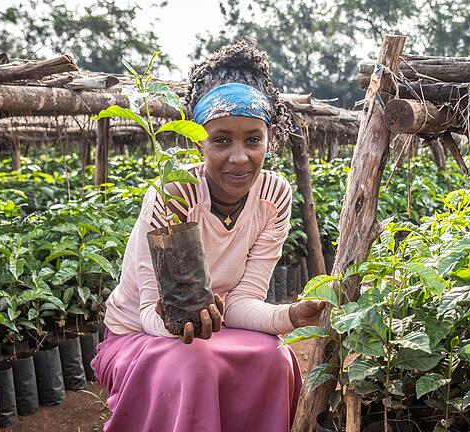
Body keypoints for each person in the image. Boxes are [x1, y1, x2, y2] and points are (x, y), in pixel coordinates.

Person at [90, 40, 326, 432]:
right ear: (198, 141)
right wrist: (175, 320)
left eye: (253, 139)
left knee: (275, 356)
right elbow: (150, 310)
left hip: (217, 329)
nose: (239, 157)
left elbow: (242, 301)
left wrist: (289, 316)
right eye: (221, 140)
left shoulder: (274, 196)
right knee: (193, 365)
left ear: (270, 140)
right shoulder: (175, 190)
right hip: (141, 335)